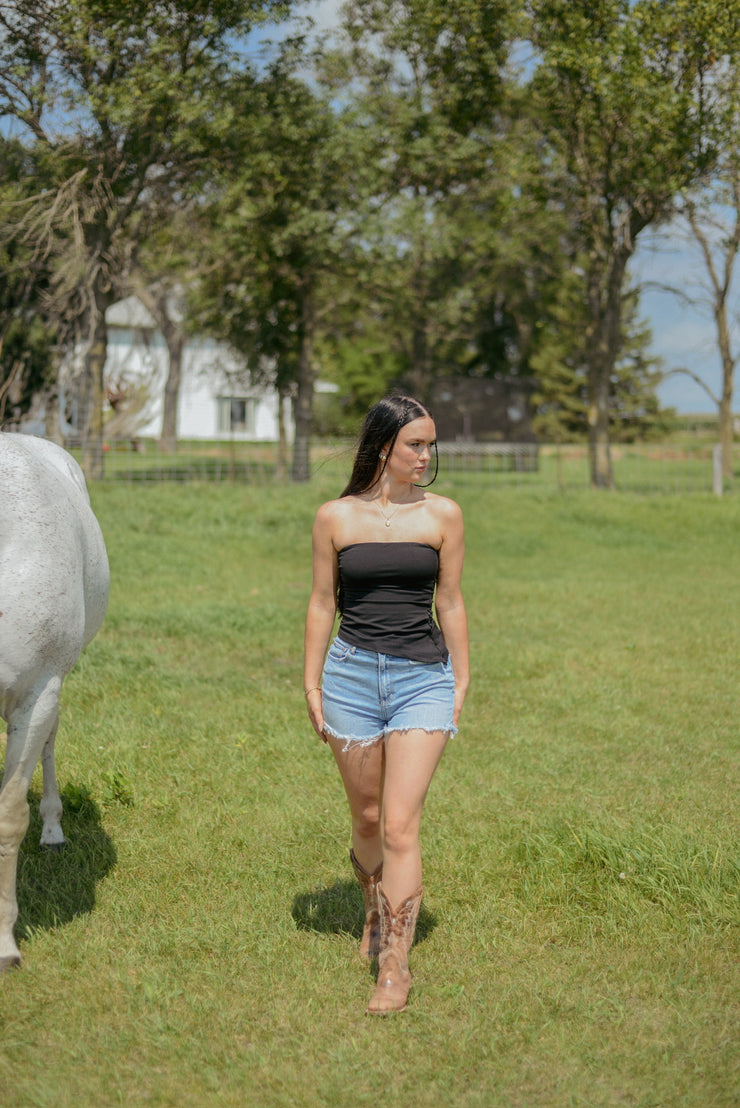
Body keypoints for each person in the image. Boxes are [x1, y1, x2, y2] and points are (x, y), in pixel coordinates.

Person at [304, 394, 469, 1014]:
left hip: (423, 678)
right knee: (368, 817)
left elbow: (449, 601)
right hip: (349, 678)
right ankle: (373, 913)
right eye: (415, 445)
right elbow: (323, 602)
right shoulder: (335, 518)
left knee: (400, 823)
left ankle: (395, 964)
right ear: (383, 448)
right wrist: (312, 684)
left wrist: (462, 677)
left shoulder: (444, 516)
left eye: (431, 445)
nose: (426, 456)